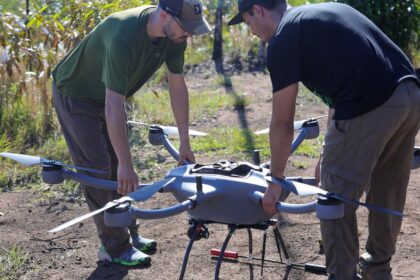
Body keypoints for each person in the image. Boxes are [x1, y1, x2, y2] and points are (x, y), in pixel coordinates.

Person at [228, 0, 420, 279]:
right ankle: (379, 269)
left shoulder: (283, 39)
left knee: (333, 200)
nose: (252, 31)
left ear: (258, 10)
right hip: (410, 95)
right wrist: (325, 153)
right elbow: (340, 84)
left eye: (247, 22)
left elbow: (282, 121)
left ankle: (342, 275)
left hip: (370, 104)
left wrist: (276, 181)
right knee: (387, 190)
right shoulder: (321, 13)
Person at [52, 0, 211, 267]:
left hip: (108, 96)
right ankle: (114, 248)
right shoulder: (123, 34)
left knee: (121, 171)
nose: (190, 34)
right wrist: (125, 163)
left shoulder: (175, 38)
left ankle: (130, 234)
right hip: (76, 95)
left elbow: (177, 88)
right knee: (100, 171)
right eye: (186, 27)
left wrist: (184, 142)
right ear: (164, 15)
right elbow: (113, 106)